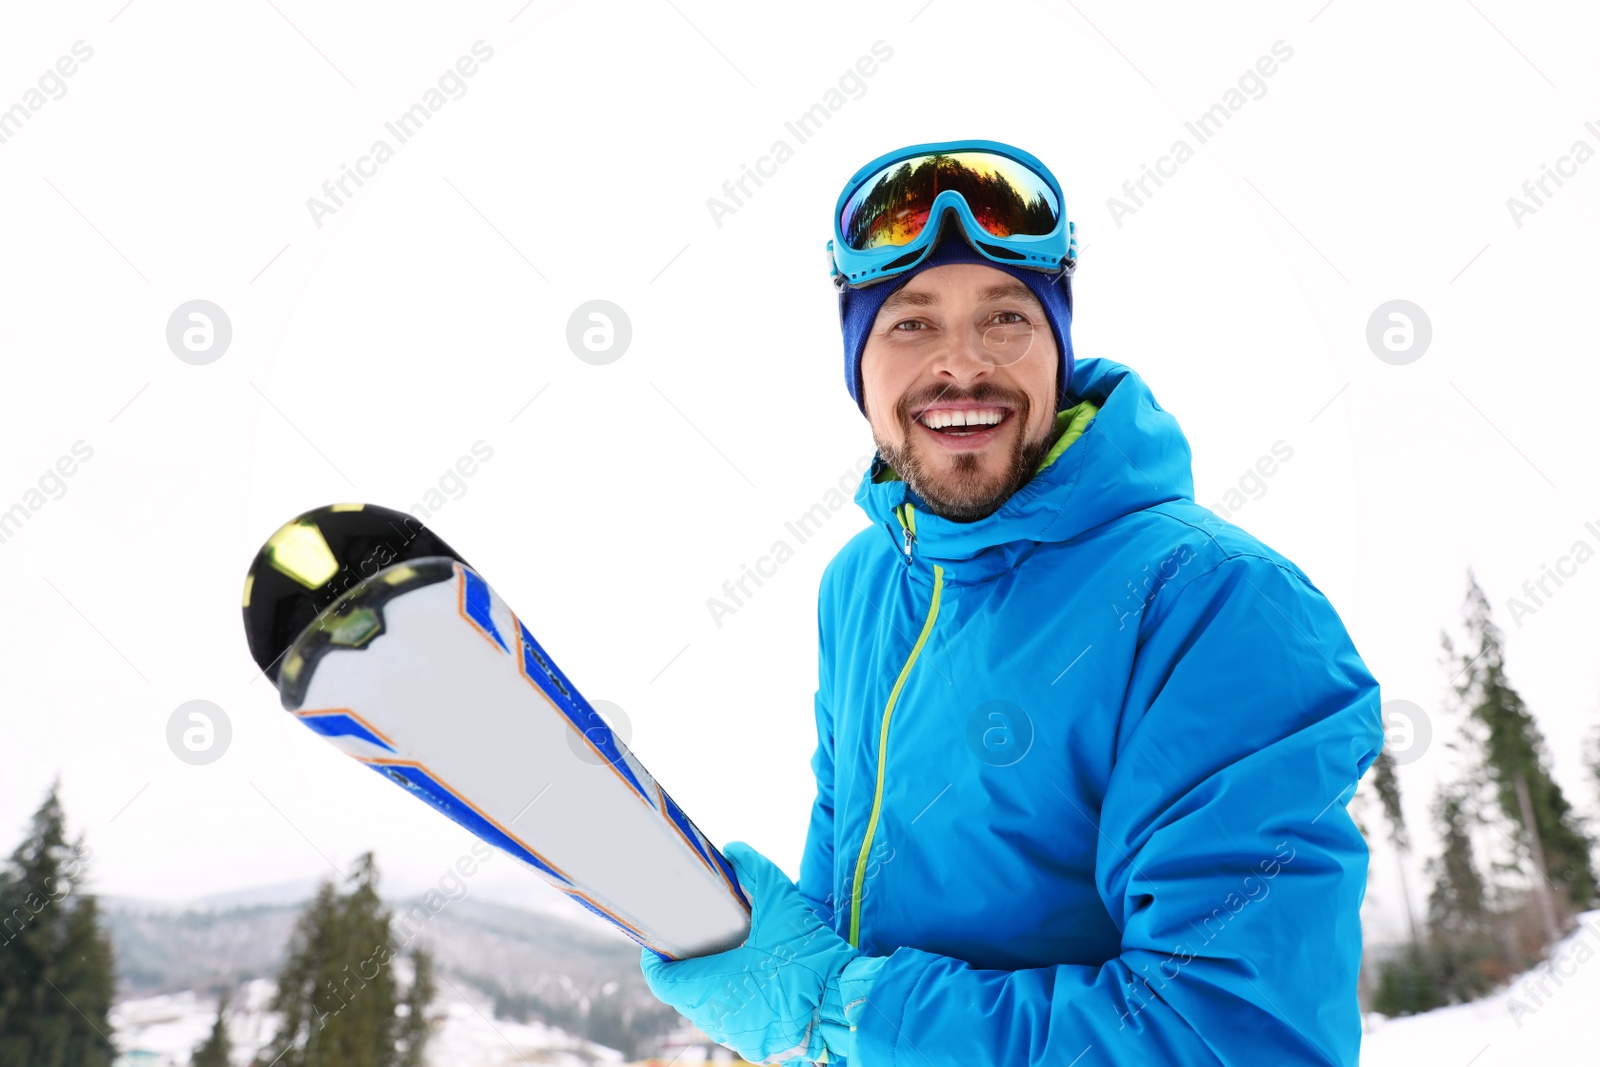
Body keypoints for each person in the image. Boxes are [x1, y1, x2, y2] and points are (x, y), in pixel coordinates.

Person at [640, 139, 1383, 1066]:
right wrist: (784, 970)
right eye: (910, 322)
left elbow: (1233, 1037)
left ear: (1058, 351)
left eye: (1005, 318)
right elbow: (845, 911)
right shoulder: (866, 584)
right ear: (857, 365)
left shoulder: (1221, 604)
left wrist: (840, 1010)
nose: (962, 365)